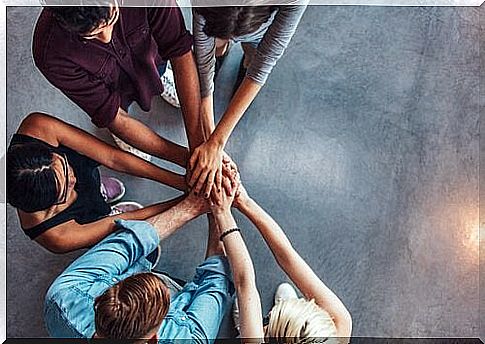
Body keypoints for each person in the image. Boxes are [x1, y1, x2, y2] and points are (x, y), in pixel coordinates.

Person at [44, 192, 235, 342]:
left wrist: (191, 206)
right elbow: (214, 282)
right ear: (152, 340)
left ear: (100, 302)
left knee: (130, 248)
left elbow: (127, 243)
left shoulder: (63, 296)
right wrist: (218, 212)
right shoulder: (187, 339)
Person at [33, 0, 206, 162]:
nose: (107, 37)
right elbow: (113, 114)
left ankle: (159, 77)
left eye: (113, 17)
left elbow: (178, 50)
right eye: (92, 35)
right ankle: (121, 134)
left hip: (152, 58)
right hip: (113, 92)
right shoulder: (50, 54)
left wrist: (200, 148)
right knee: (116, 111)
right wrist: (188, 160)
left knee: (157, 70)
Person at [7, 112, 188, 253]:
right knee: (116, 226)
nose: (73, 178)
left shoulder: (38, 128)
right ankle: (102, 213)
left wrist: (181, 182)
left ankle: (96, 188)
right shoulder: (55, 236)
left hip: (85, 177)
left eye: (63, 164)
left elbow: (113, 158)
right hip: (85, 218)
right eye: (65, 191)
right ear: (48, 206)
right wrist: (186, 201)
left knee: (90, 178)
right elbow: (127, 219)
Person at [209, 177, 352, 342]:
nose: (264, 326)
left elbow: (244, 282)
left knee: (249, 324)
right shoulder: (340, 323)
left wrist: (221, 212)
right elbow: (287, 257)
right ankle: (278, 316)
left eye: (267, 325)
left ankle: (245, 326)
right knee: (253, 315)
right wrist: (244, 200)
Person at [189, 2, 308, 196]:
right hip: (220, 21)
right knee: (215, 47)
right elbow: (203, 62)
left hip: (258, 31)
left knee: (253, 54)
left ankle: (244, 57)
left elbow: (263, 64)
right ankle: (221, 50)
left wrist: (216, 143)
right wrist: (210, 140)